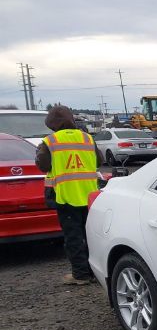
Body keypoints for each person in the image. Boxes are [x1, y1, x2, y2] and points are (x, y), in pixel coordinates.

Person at [35, 105, 104, 285]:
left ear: (51, 123)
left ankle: (80, 275)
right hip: (90, 195)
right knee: (91, 235)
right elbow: (100, 161)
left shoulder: (50, 142)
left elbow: (43, 165)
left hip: (66, 196)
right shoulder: (87, 138)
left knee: (73, 237)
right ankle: (95, 271)